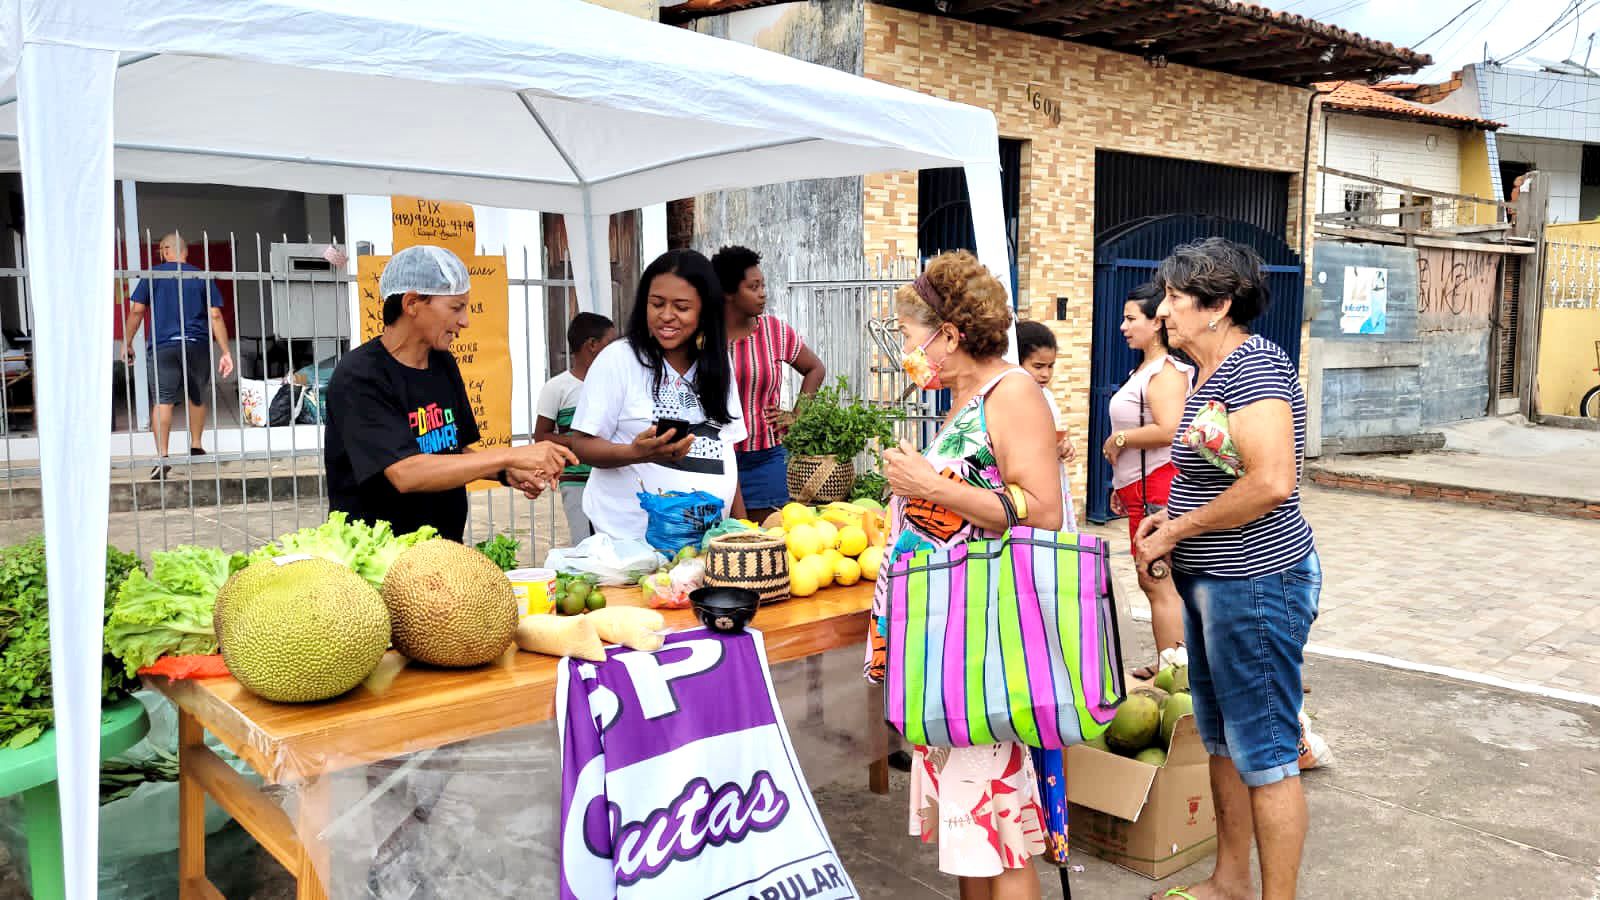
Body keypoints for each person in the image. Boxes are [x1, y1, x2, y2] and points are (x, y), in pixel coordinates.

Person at [1134, 238, 1320, 900]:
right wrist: (1167, 519)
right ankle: (1231, 881)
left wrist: (1179, 528)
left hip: (1257, 584)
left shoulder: (1256, 368)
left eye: (1176, 300)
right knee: (1220, 739)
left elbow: (1272, 481)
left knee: (1266, 752)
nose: (1163, 312)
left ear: (1218, 306)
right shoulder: (1209, 375)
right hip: (1214, 585)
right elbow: (1214, 472)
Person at [875, 251, 1062, 900]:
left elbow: (1042, 511)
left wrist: (930, 486)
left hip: (985, 641)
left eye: (906, 335)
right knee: (970, 828)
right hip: (949, 639)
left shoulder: (1013, 394)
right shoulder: (963, 402)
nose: (904, 348)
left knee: (998, 826)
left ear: (948, 335)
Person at [324, 245, 575, 543]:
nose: (465, 321)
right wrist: (511, 455)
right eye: (456, 308)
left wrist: (506, 472)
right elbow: (405, 473)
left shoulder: (442, 362)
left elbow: (452, 451)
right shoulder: (361, 375)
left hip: (443, 551)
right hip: (378, 556)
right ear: (412, 303)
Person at [569, 249, 746, 540]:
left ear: (705, 311)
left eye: (681, 307)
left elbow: (726, 448)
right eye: (657, 304)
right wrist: (635, 453)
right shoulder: (619, 359)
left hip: (708, 542)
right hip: (628, 544)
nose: (666, 316)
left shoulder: (717, 362)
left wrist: (740, 530)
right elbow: (582, 444)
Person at [1103, 283, 1194, 680]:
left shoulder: (1165, 373)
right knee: (1152, 577)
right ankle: (1167, 661)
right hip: (1139, 488)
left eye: (1131, 319)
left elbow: (1169, 428)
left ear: (1155, 324)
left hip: (1159, 486)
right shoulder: (1142, 370)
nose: (1123, 326)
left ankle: (1173, 669)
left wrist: (1119, 439)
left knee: (1158, 577)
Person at [713, 245, 826, 523]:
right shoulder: (705, 339)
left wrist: (797, 416)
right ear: (728, 293)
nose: (763, 292)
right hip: (716, 460)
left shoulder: (774, 331)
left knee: (770, 537)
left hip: (766, 457)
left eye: (763, 285)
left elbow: (815, 369)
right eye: (753, 287)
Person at [120, 232, 234, 479]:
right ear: (186, 251)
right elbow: (215, 316)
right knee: (196, 394)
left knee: (163, 400)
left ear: (164, 250)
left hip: (163, 346)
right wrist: (225, 351)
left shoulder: (154, 274)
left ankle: (162, 455)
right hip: (196, 345)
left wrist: (127, 342)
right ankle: (195, 445)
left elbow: (137, 311)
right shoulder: (200, 275)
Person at [534, 312, 617, 541]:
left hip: (612, 479)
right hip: (577, 481)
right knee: (585, 543)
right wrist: (578, 443)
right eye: (610, 343)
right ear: (592, 345)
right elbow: (541, 436)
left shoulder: (615, 385)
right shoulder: (558, 388)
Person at [1015, 320, 1078, 526]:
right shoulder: (1012, 400)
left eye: (1051, 366)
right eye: (1038, 366)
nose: (1046, 374)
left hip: (1052, 481)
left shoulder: (1047, 396)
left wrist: (1065, 446)